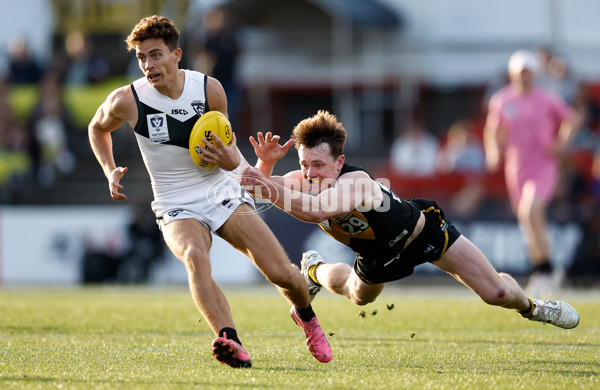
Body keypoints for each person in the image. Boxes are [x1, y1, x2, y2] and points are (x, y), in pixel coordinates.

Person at [87, 15, 331, 368]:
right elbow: (97, 128)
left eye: (155, 55)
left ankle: (306, 316)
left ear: (176, 55)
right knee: (194, 256)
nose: (148, 65)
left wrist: (248, 163)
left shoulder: (208, 91)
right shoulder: (127, 100)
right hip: (173, 201)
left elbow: (226, 150)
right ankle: (230, 340)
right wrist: (109, 170)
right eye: (141, 58)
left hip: (219, 190)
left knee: (281, 273)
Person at [234, 110, 580, 331]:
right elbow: (256, 191)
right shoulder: (301, 179)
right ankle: (312, 271)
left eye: (319, 166)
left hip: (423, 235)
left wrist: (265, 181)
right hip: (377, 255)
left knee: (498, 292)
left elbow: (315, 211)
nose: (310, 173)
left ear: (340, 162)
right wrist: (265, 167)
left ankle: (536, 307)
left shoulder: (356, 182)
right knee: (357, 295)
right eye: (305, 164)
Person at [484, 49, 581, 298]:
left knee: (531, 210)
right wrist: (494, 150)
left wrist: (562, 143)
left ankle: (547, 269)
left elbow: (572, 119)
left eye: (528, 72)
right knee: (527, 222)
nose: (525, 77)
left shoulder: (546, 99)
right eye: (521, 73)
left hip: (544, 166)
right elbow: (493, 129)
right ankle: (543, 269)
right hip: (517, 168)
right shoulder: (503, 100)